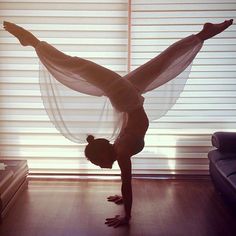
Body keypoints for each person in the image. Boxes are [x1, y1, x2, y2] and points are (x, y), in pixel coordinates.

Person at [3, 19, 233, 227]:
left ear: (105, 155)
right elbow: (126, 184)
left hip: (127, 99)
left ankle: (33, 42)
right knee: (153, 64)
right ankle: (202, 35)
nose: (100, 167)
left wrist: (126, 210)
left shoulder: (121, 148)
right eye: (96, 163)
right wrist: (126, 207)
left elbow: (126, 184)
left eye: (96, 163)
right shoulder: (122, 149)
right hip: (128, 98)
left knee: (82, 66)